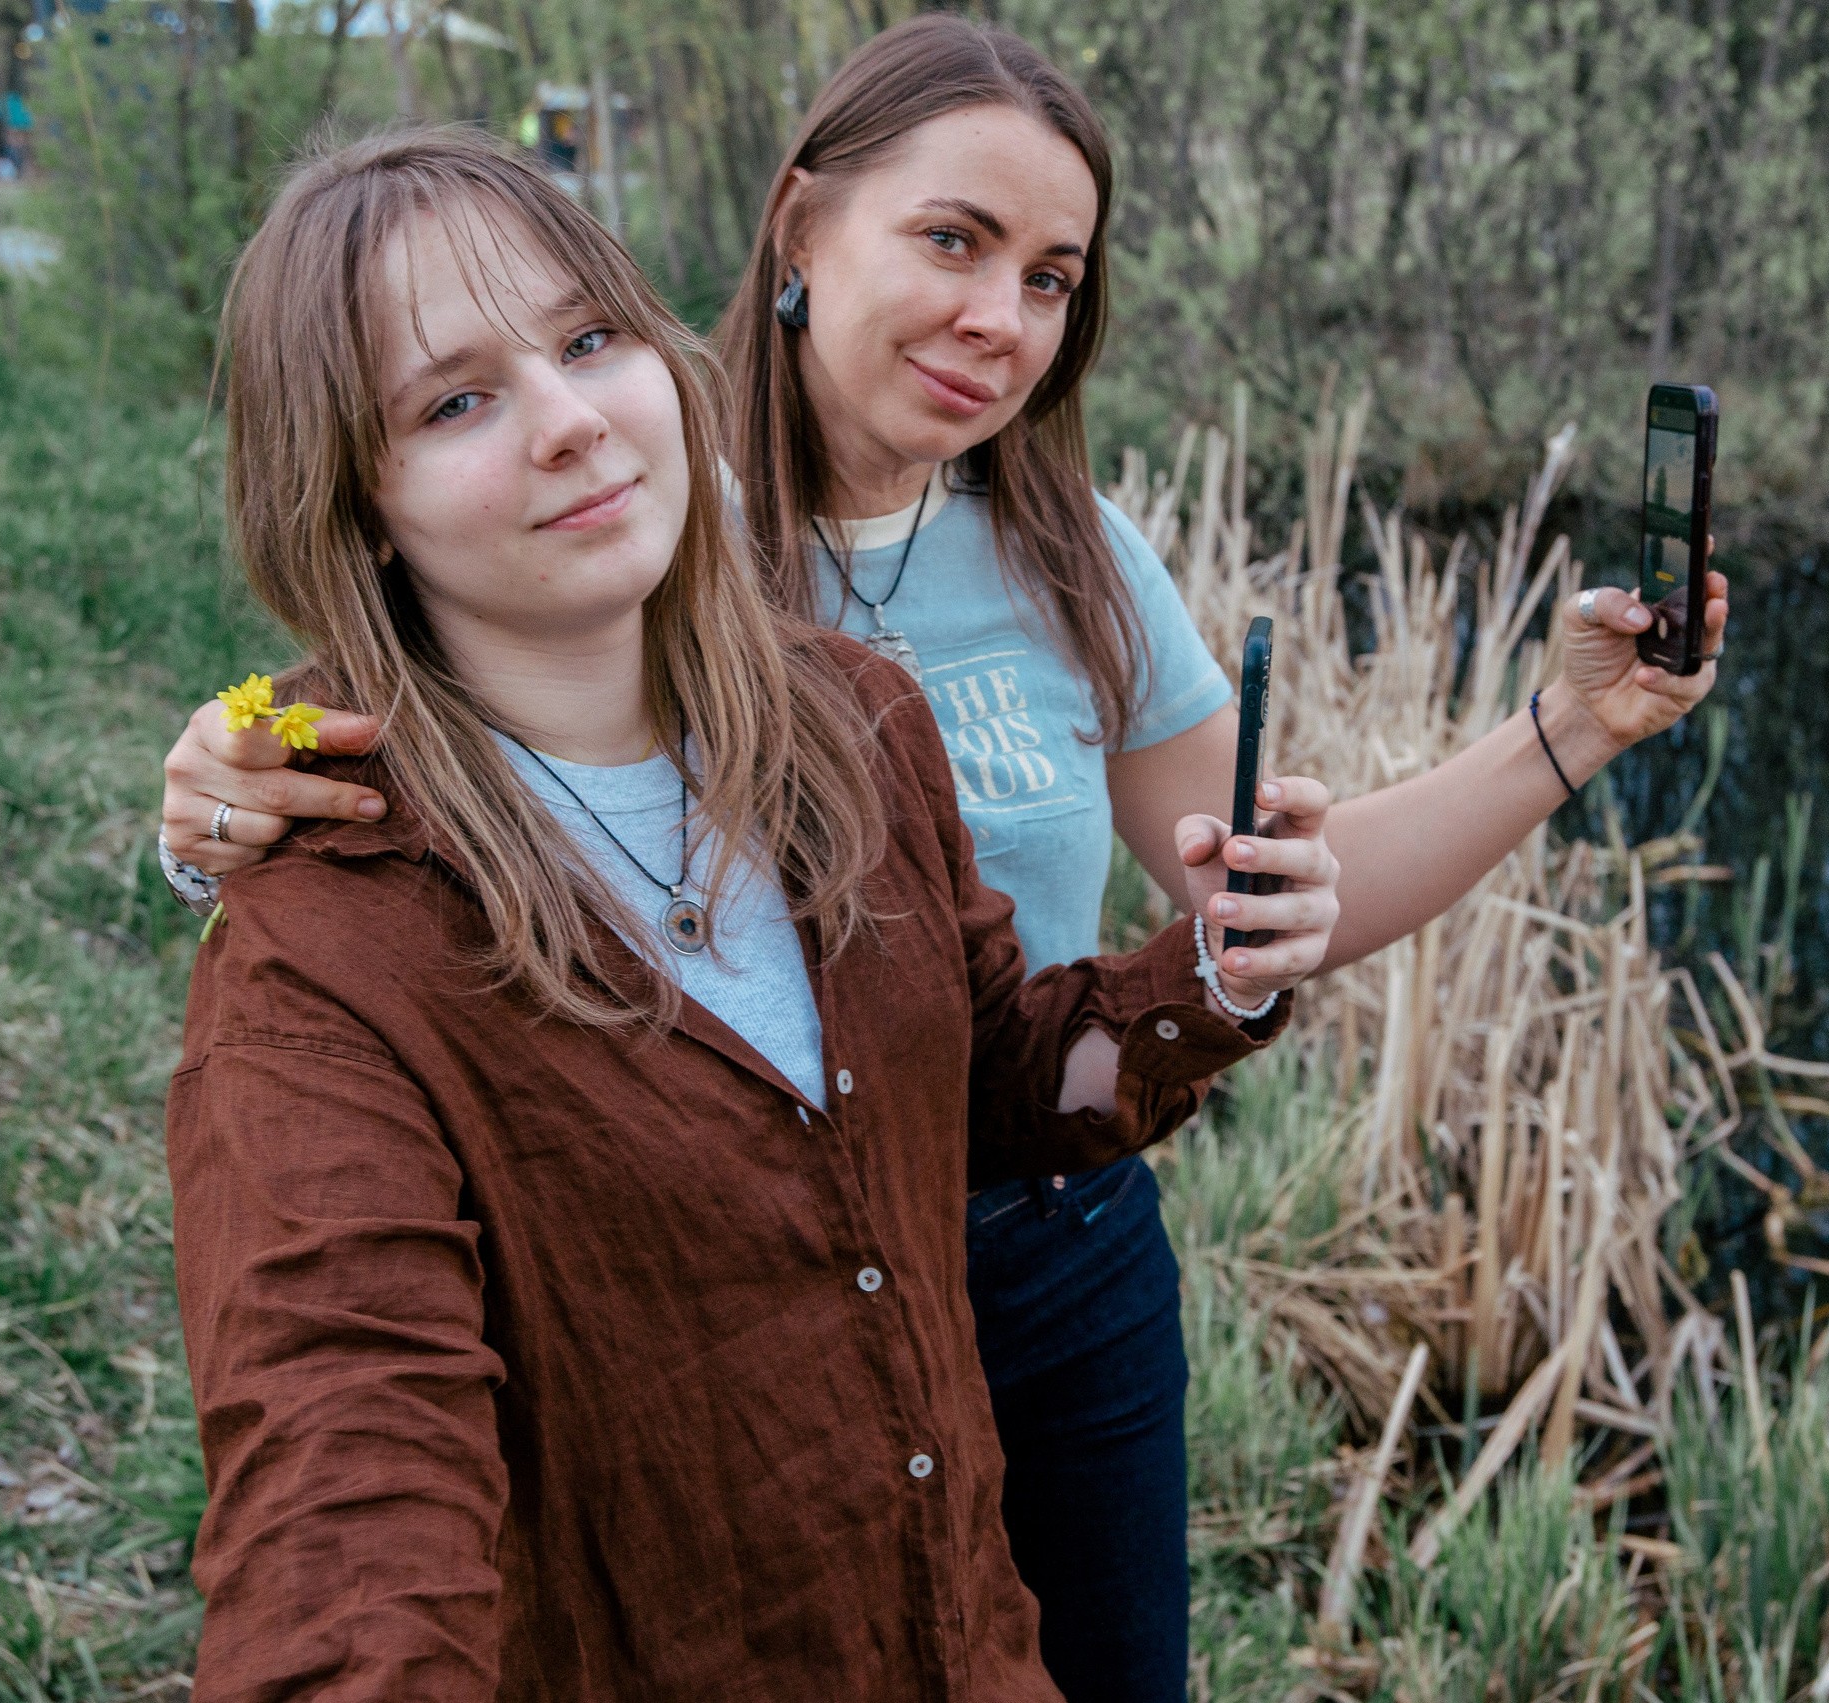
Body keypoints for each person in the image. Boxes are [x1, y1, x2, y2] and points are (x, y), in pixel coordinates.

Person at [154, 19, 1730, 1700]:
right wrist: (218, 800)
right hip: (703, 1295)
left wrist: (1562, 739)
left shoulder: (1045, 576)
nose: (1002, 318)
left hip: (1038, 1219)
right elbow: (347, 1488)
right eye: (953, 240)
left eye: (1053, 278)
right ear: (800, 228)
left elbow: (1191, 944)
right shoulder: (645, 520)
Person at [171, 127, 1342, 1700]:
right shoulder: (329, 951)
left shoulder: (854, 722)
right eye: (457, 400)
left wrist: (1212, 971)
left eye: (590, 341)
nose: (573, 423)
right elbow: (340, 1492)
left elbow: (988, 1078)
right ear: (357, 500)